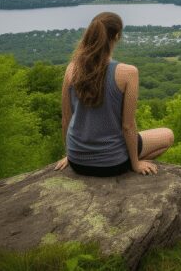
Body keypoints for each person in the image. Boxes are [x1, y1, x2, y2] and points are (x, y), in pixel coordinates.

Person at [53, 11, 174, 176]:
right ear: (117, 36)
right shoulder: (128, 73)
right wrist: (135, 163)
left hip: (77, 161)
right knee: (167, 135)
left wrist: (69, 154)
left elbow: (66, 118)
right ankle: (132, 163)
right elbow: (128, 126)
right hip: (112, 163)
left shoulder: (72, 69)